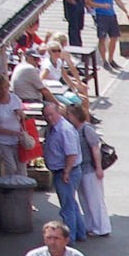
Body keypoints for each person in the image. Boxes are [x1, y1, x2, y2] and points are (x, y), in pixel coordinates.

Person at [42, 98, 88, 242]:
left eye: (52, 114)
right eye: (47, 115)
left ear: (58, 113)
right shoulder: (53, 128)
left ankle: (68, 240)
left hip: (66, 172)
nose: (49, 118)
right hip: (62, 171)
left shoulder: (64, 129)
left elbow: (72, 153)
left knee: (67, 209)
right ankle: (80, 233)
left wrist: (67, 172)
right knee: (71, 205)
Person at [70, 102, 111, 238]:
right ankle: (92, 226)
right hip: (82, 169)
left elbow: (95, 148)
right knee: (85, 199)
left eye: (69, 115)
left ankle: (101, 227)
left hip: (90, 169)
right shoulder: (77, 129)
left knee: (95, 199)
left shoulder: (86, 129)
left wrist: (99, 168)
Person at [0, 72, 25, 177]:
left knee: (21, 167)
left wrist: (21, 114)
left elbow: (23, 118)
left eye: (5, 87)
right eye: (0, 88)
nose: (3, 91)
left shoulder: (15, 99)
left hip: (18, 139)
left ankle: (23, 190)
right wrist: (10, 132)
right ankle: (10, 190)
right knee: (11, 167)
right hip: (2, 140)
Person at [89, 0, 122, 72]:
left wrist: (126, 10)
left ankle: (111, 59)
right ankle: (104, 61)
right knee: (102, 38)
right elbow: (88, 1)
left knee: (114, 37)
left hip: (111, 14)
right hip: (101, 15)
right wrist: (101, 6)